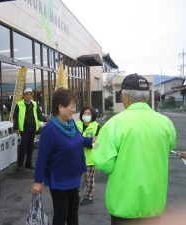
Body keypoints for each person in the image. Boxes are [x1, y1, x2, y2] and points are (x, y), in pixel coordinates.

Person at [91, 74, 176, 225]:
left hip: (124, 206)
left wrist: (96, 145)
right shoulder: (165, 123)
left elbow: (104, 163)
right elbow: (169, 146)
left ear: (126, 98)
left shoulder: (114, 124)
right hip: (154, 204)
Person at [31, 88, 93, 225]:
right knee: (61, 214)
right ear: (60, 107)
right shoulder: (50, 129)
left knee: (73, 211)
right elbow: (42, 157)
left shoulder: (71, 124)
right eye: (72, 106)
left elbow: (79, 140)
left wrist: (92, 141)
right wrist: (38, 181)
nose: (74, 110)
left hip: (74, 176)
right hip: (59, 178)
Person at [13, 87, 47, 171]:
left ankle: (28, 163)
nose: (28, 96)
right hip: (23, 129)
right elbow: (15, 117)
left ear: (32, 96)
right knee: (23, 147)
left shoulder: (35, 104)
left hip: (33, 129)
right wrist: (16, 128)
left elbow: (39, 115)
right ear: (24, 95)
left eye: (30, 94)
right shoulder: (19, 104)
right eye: (27, 94)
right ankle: (20, 165)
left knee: (31, 147)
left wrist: (46, 119)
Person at [75, 106, 100, 205]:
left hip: (90, 158)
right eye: (84, 113)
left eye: (89, 113)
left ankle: (89, 197)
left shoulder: (96, 126)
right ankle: (75, 195)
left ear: (92, 115)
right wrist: (89, 141)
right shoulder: (76, 124)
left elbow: (98, 142)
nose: (86, 115)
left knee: (89, 179)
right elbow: (75, 139)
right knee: (76, 178)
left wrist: (92, 145)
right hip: (77, 157)